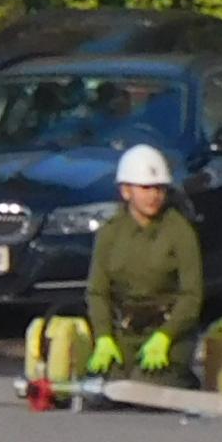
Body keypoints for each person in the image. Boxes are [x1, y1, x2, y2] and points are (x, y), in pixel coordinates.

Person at [84, 140, 204, 378]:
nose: (154, 196)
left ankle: (184, 380)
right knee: (104, 386)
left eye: (159, 188)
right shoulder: (110, 233)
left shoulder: (179, 231)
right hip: (124, 335)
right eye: (146, 188)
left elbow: (191, 296)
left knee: (148, 385)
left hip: (168, 335)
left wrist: (165, 336)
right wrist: (103, 337)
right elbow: (97, 292)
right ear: (126, 191)